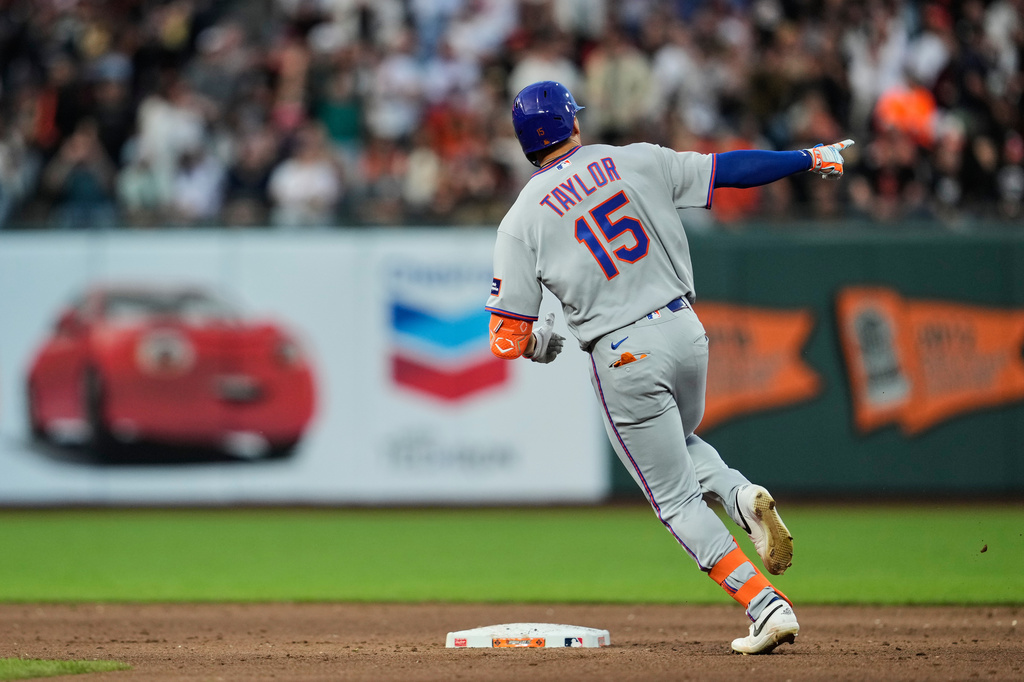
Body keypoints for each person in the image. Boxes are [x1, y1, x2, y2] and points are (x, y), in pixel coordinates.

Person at [485, 80, 853, 655]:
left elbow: (506, 336)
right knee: (680, 441)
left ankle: (765, 606)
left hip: (621, 351)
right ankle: (740, 496)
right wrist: (808, 156)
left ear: (525, 144)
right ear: (572, 125)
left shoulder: (520, 219)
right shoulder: (634, 159)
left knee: (674, 499)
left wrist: (541, 345)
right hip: (685, 330)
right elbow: (730, 169)